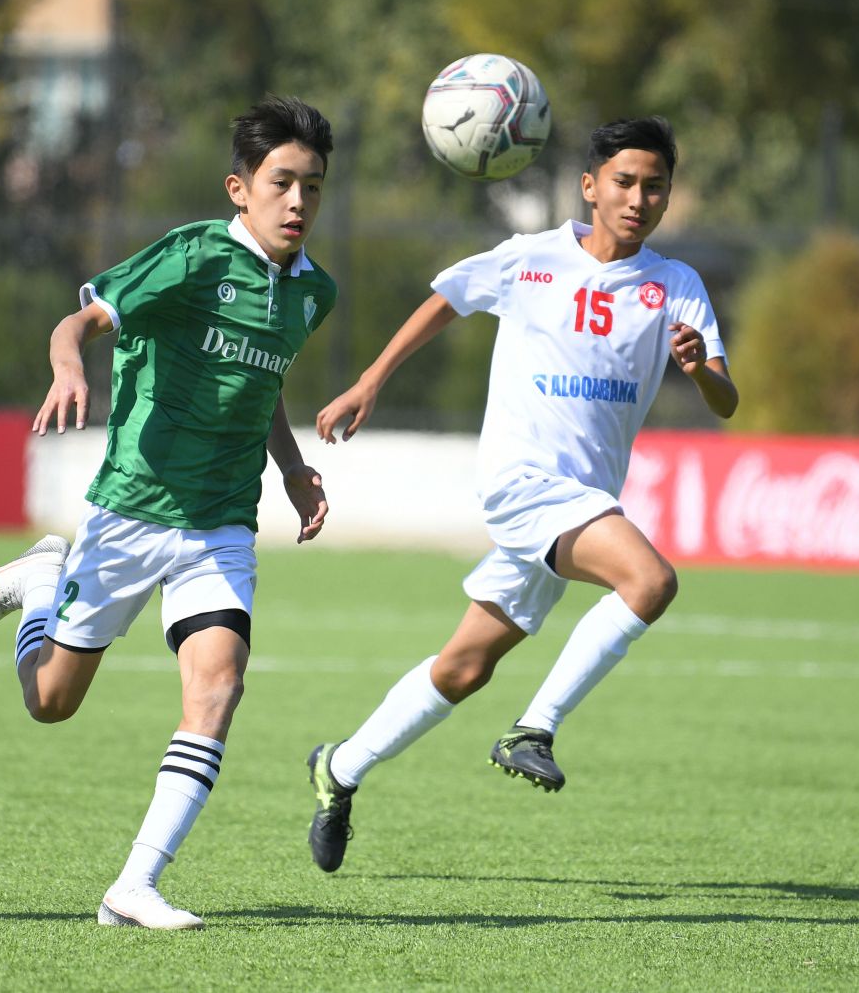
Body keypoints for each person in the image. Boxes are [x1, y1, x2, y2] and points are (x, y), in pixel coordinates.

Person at [304, 116, 738, 872]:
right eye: (625, 181)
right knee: (651, 579)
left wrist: (700, 368)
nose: (639, 197)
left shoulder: (676, 285)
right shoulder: (530, 258)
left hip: (579, 501)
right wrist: (371, 380)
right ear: (590, 187)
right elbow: (447, 298)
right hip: (521, 484)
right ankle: (534, 727)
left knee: (463, 667)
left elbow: (728, 401)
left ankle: (339, 768)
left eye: (655, 185)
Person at [0, 94, 335, 929]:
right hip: (130, 510)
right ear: (240, 189)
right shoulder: (192, 257)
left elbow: (263, 384)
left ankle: (133, 885)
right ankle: (41, 580)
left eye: (313, 186)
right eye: (282, 183)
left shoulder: (314, 293)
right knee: (51, 701)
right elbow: (79, 321)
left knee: (220, 684)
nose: (298, 203)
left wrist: (293, 469)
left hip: (220, 523)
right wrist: (68, 367)